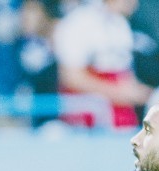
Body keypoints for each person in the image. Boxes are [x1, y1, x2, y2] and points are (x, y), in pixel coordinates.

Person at [53, 0, 151, 129]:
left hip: (121, 117)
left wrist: (143, 93)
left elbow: (124, 74)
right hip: (86, 119)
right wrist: (118, 93)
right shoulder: (77, 22)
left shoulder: (120, 23)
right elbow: (71, 77)